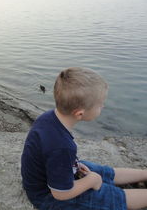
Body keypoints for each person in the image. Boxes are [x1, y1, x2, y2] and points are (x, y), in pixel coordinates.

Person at [21, 67, 147, 210]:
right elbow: (60, 194)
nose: (103, 106)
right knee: (107, 196)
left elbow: (49, 154)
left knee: (100, 170)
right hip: (47, 196)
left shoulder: (48, 117)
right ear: (80, 114)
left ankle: (144, 174)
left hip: (50, 175)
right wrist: (91, 181)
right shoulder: (62, 146)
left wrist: (76, 166)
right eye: (100, 105)